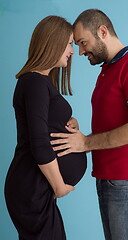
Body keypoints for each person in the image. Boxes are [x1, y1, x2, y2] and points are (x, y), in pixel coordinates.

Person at [50, 9, 128, 240]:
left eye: (83, 42)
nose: (79, 51)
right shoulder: (107, 70)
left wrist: (86, 143)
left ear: (102, 31)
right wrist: (77, 131)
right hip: (110, 178)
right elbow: (110, 121)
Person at [4, 15, 87, 240]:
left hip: (36, 189)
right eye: (69, 43)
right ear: (53, 42)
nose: (71, 51)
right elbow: (39, 142)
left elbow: (43, 125)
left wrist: (69, 122)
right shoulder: (34, 83)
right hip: (32, 188)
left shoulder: (38, 83)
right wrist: (59, 186)